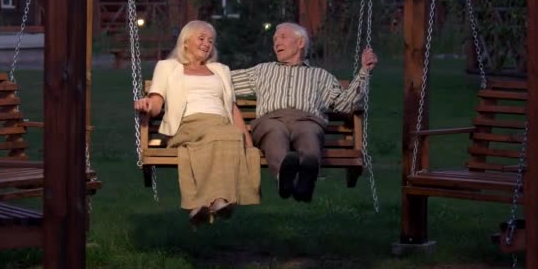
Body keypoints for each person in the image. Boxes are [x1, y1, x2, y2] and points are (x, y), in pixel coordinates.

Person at [231, 22, 378, 202]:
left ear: (300, 43)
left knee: (308, 133)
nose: (277, 42)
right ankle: (283, 180)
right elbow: (224, 79)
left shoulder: (320, 76)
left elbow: (344, 104)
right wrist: (193, 66)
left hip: (307, 119)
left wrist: (364, 72)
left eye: (283, 37)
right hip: (271, 119)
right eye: (275, 39)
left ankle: (306, 180)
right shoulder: (262, 70)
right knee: (274, 132)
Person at [134, 20, 261, 226]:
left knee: (227, 135)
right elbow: (157, 101)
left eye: (210, 41)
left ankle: (202, 204)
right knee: (221, 135)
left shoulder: (221, 69)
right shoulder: (168, 67)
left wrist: (247, 141)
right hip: (187, 123)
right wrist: (148, 105)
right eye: (201, 39)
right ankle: (218, 199)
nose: (206, 44)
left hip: (220, 124)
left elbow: (230, 107)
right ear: (185, 42)